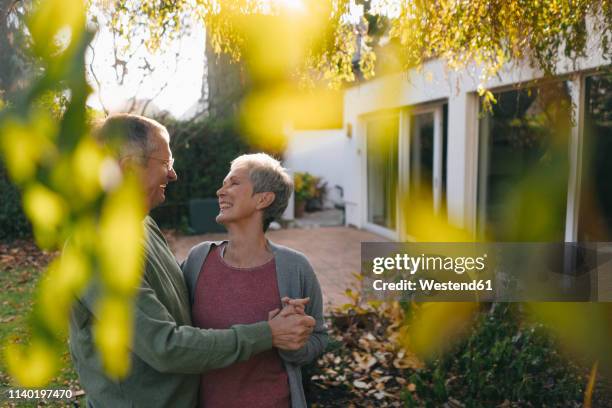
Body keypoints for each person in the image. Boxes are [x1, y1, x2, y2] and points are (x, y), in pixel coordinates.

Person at [69, 114, 316, 408]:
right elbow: (166, 346)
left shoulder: (142, 224)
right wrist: (268, 333)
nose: (173, 175)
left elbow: (183, 309)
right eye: (165, 164)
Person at [182, 153, 328, 408]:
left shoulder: (295, 267)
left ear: (263, 198)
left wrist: (293, 343)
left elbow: (319, 338)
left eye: (233, 183)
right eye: (224, 183)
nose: (220, 191)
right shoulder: (198, 260)